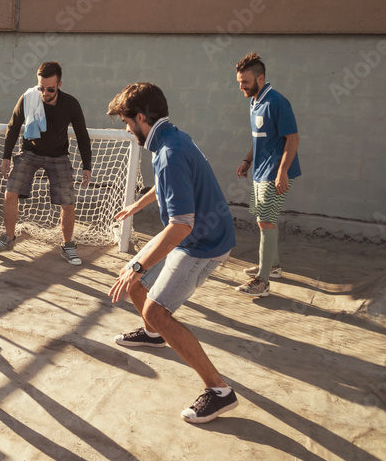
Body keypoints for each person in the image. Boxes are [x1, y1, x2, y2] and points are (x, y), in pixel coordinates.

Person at [107, 82, 238, 424]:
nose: (126, 128)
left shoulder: (169, 153)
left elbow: (181, 225)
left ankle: (220, 392)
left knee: (156, 307)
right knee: (133, 281)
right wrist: (138, 204)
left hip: (202, 244)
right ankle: (153, 335)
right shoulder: (172, 138)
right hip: (198, 234)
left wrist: (138, 264)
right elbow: (172, 185)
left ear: (140, 118)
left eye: (126, 122)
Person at [0, 61, 92, 265]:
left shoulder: (70, 104)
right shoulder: (29, 97)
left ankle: (68, 246)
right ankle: (8, 238)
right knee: (10, 192)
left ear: (59, 84)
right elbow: (13, 127)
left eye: (50, 89)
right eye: (41, 87)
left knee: (68, 203)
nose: (44, 93)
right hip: (30, 152)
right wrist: (6, 156)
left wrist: (87, 165)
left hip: (59, 155)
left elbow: (82, 135)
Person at [234, 52, 301, 298]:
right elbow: (261, 138)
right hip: (261, 171)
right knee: (264, 219)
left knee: (266, 221)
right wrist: (247, 160)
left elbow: (292, 139)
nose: (241, 86)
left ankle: (262, 282)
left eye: (245, 82)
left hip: (275, 173)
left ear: (260, 79)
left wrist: (282, 172)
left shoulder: (276, 102)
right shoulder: (255, 102)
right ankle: (272, 267)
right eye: (239, 81)